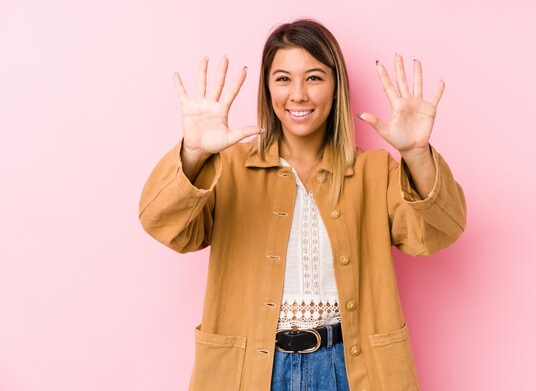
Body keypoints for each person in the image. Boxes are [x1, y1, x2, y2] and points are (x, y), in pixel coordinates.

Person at [139, 19, 466, 391]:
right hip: (250, 373)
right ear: (267, 89)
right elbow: (162, 223)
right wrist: (194, 153)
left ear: (336, 86)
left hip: (350, 369)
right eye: (283, 79)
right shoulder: (228, 168)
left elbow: (441, 231)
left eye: (313, 77)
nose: (298, 94)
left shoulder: (376, 172)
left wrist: (418, 154)